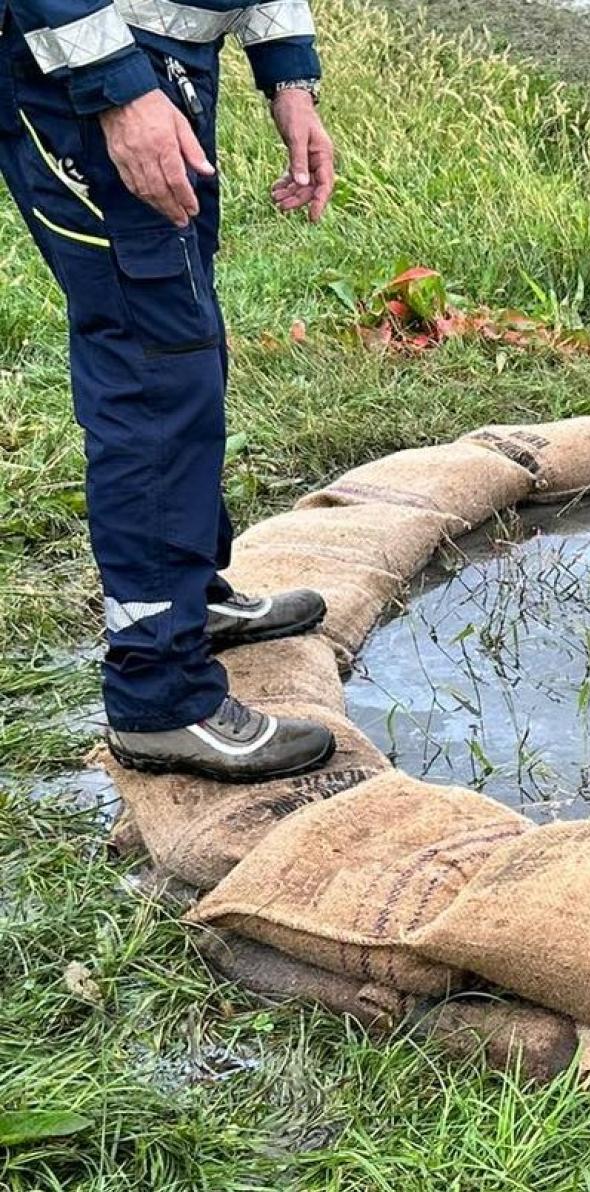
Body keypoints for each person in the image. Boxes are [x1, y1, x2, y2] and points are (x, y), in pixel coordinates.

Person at [1, 0, 340, 782]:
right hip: (84, 72)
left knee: (189, 343)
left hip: (170, 63)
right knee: (153, 370)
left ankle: (193, 599)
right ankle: (160, 693)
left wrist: (290, 75)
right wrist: (117, 89)